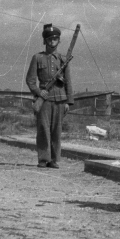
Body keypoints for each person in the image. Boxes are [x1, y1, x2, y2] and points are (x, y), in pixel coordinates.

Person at [25, 23, 74, 169]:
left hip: (60, 100)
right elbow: (30, 80)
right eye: (49, 39)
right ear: (44, 41)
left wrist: (68, 102)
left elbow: (68, 82)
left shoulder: (63, 60)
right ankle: (43, 159)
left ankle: (54, 160)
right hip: (44, 100)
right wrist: (39, 93)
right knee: (43, 130)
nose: (52, 41)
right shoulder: (37, 58)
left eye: (55, 39)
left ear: (59, 41)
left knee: (56, 131)